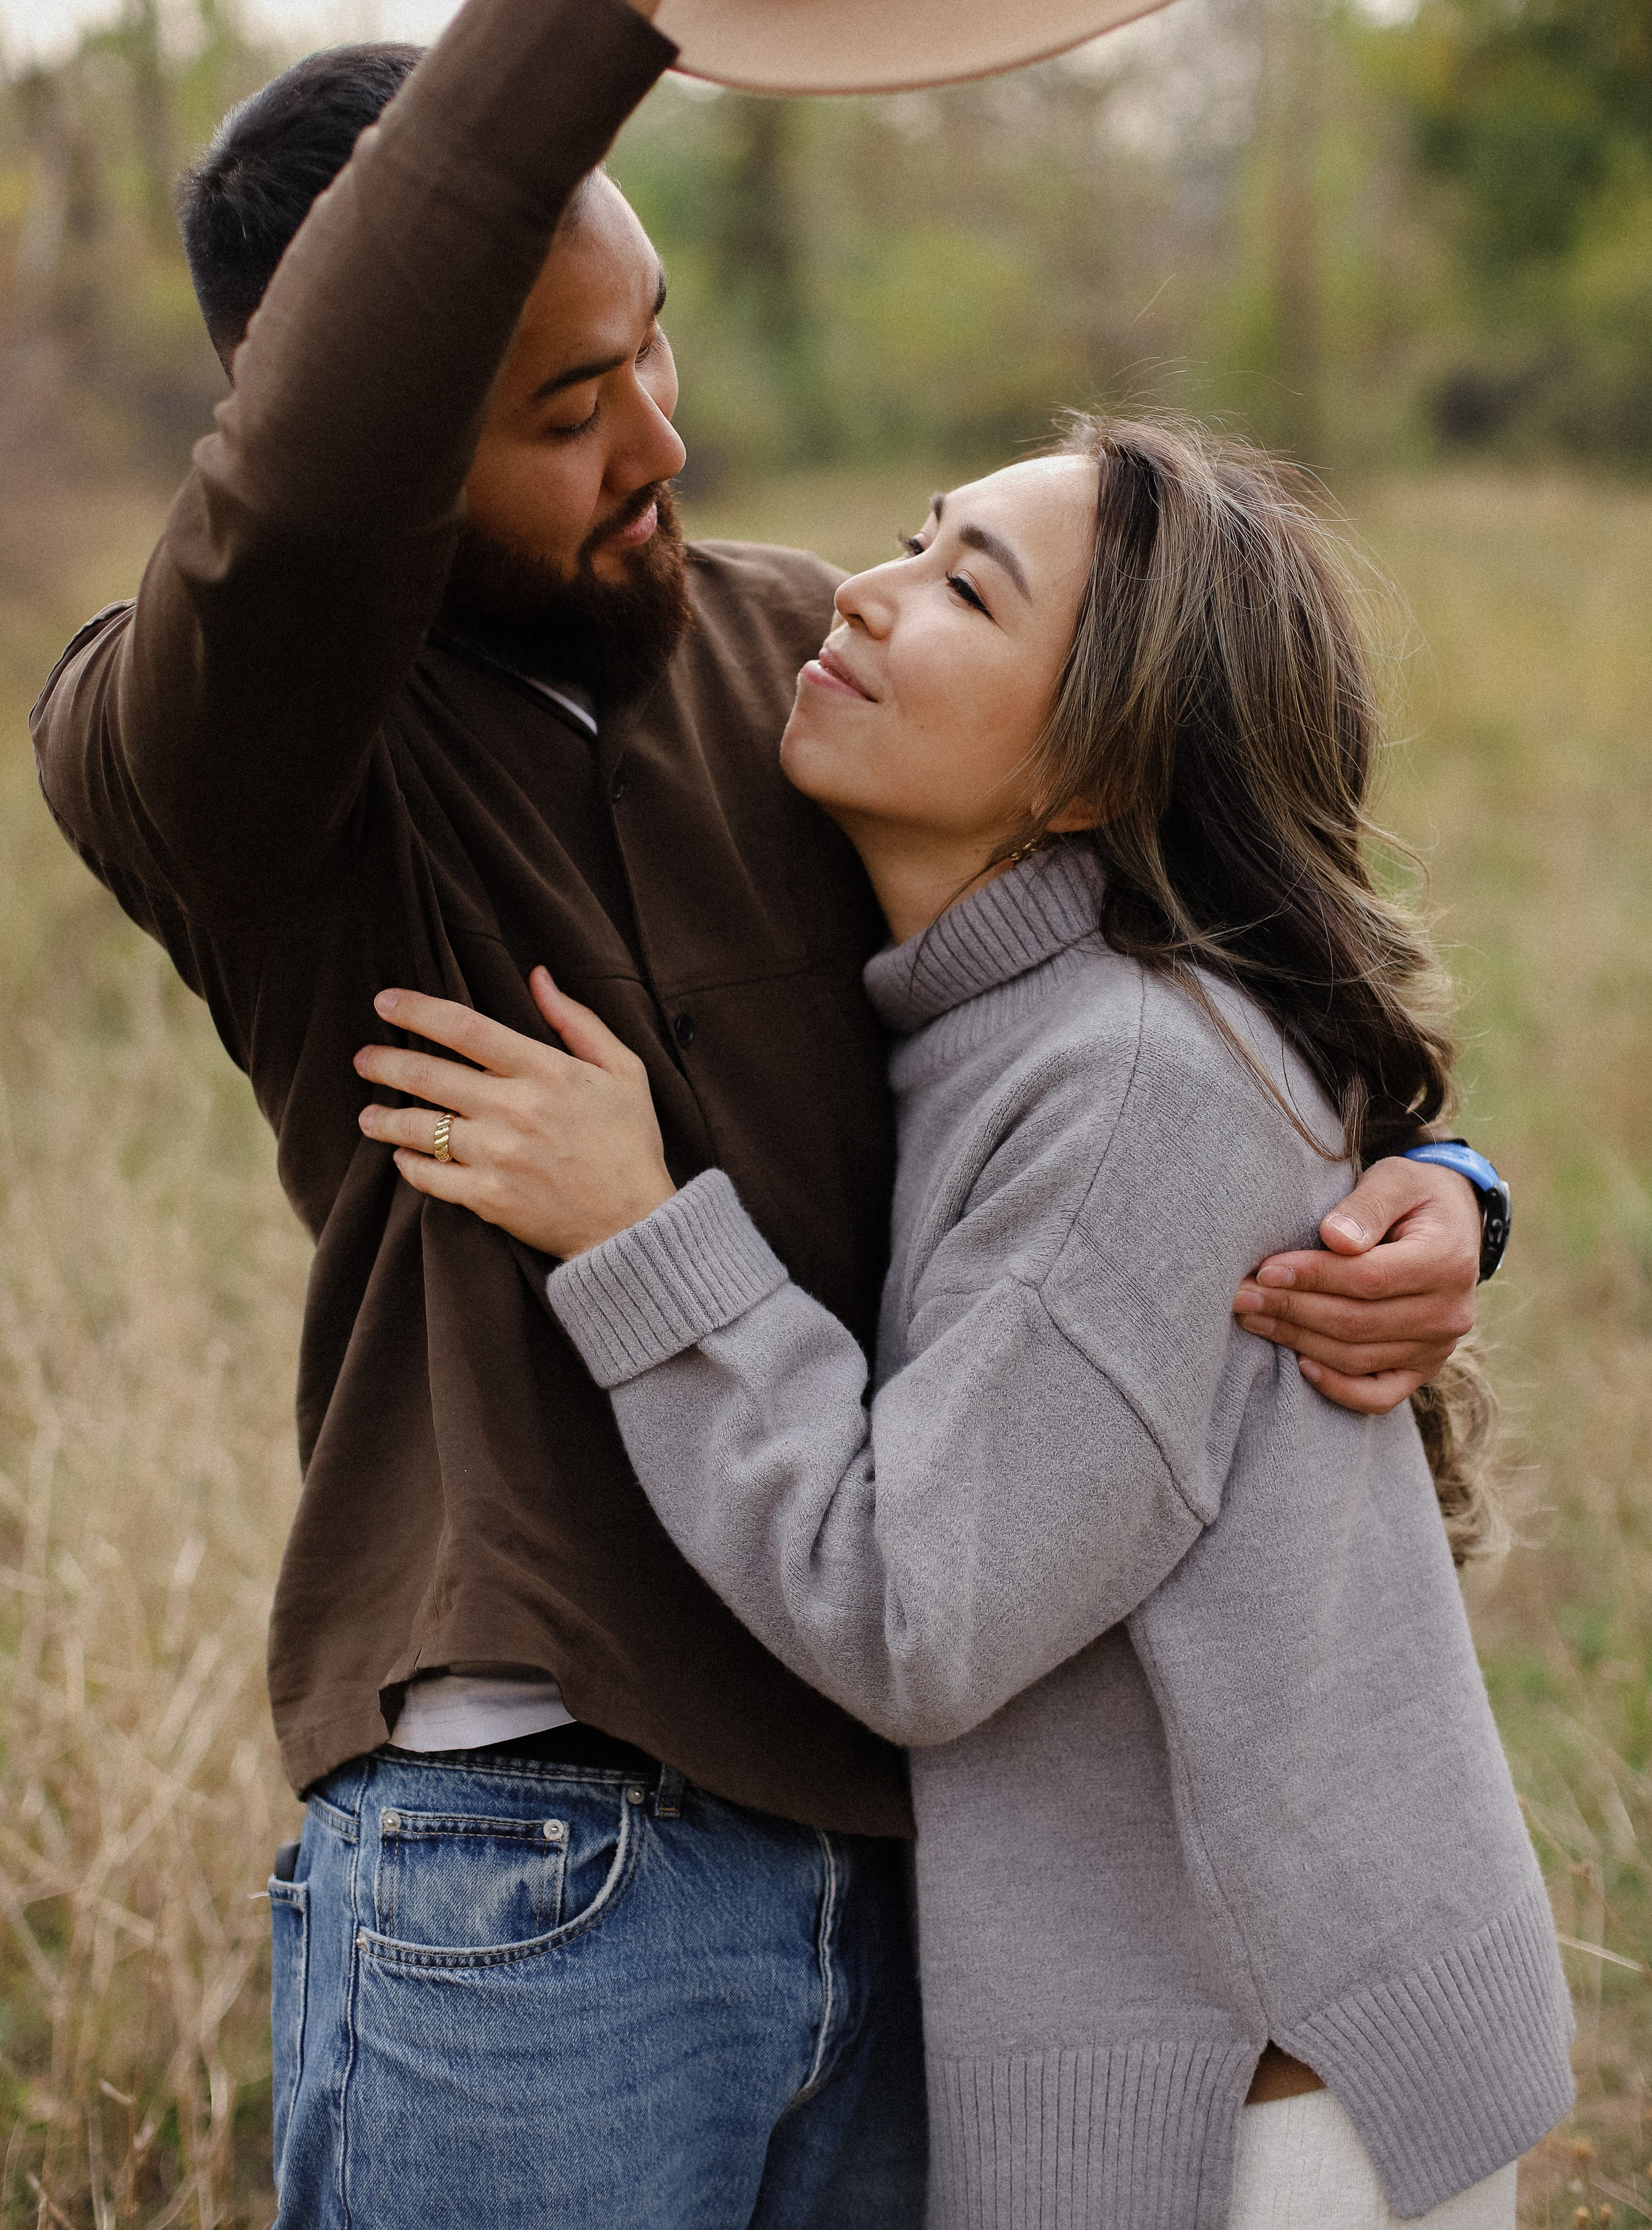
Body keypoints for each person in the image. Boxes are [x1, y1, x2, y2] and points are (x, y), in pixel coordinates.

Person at [28, 0, 1495, 2221]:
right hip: (536, 1886)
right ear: (378, 425)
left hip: (952, 1888)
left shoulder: (808, 662)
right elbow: (295, 506)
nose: (662, 445)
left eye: (659, 350)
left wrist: (1429, 1189)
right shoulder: (224, 751)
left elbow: (1196, 960)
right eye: (565, 410)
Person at [356, 415, 1572, 2230]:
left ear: (1090, 771)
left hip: (1257, 2133)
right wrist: (1447, 1180)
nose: (862, 590)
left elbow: (917, 1611)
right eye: (917, 536)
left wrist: (635, 1235)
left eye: (963, 589)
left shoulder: (1129, 1081)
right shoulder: (1017, 1010)